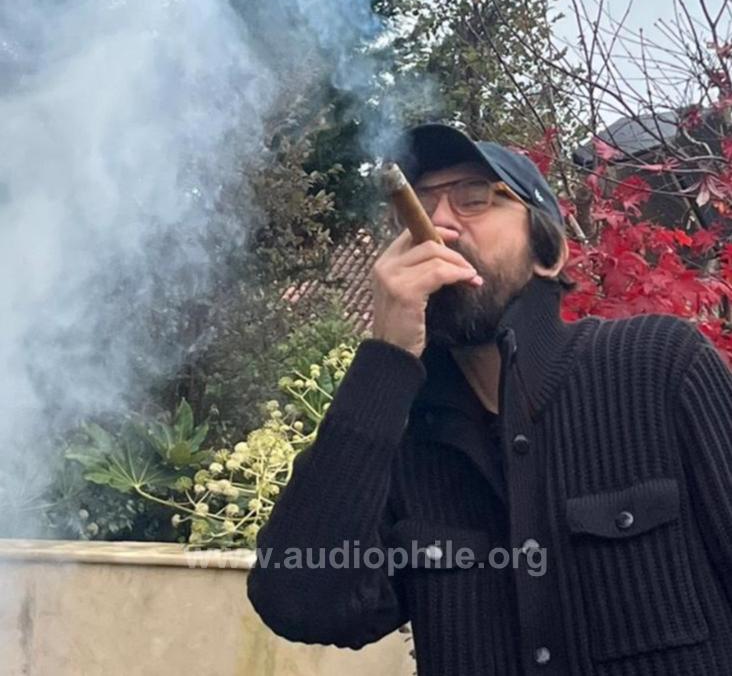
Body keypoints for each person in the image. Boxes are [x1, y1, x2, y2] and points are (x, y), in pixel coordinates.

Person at [247, 123, 732, 675]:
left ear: (550, 252)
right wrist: (384, 359)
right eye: (416, 206)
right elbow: (299, 601)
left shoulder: (659, 366)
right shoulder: (401, 438)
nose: (438, 225)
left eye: (474, 198)